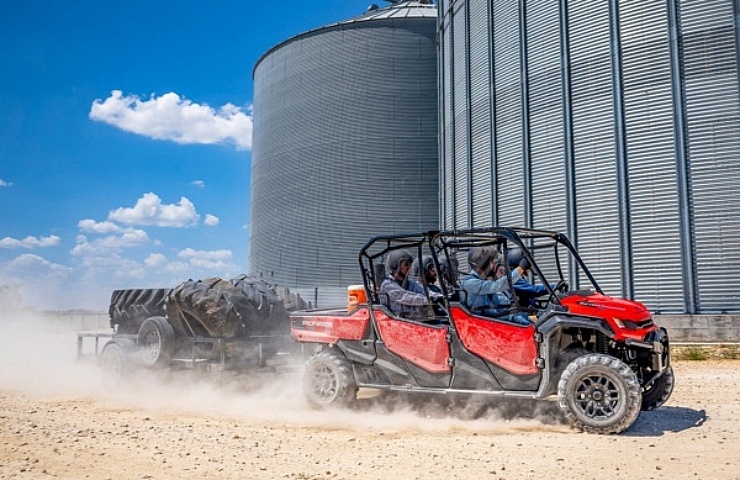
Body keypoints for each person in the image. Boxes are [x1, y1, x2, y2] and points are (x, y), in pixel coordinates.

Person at [460, 246, 531, 326]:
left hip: (491, 319)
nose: (493, 265)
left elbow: (500, 303)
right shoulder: (469, 283)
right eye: (491, 262)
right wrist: (520, 269)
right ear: (483, 264)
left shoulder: (484, 280)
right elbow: (496, 286)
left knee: (522, 318)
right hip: (482, 324)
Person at [380, 249, 442, 320]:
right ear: (395, 265)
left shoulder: (410, 283)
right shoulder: (387, 284)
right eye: (406, 264)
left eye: (410, 264)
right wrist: (429, 299)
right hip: (395, 321)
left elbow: (424, 291)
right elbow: (405, 297)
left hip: (411, 320)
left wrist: (440, 297)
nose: (409, 267)